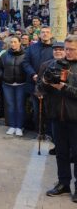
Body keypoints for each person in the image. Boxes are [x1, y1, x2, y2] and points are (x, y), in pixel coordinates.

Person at [40, 35, 77, 201]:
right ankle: (63, 184)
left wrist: (63, 87)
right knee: (61, 153)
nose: (67, 52)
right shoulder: (55, 64)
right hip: (57, 117)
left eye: (71, 49)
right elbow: (42, 88)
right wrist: (45, 82)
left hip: (75, 118)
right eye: (66, 49)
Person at [22, 26, 54, 131]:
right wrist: (33, 74)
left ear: (51, 34)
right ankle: (39, 132)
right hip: (34, 84)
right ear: (39, 34)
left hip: (50, 85)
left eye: (47, 32)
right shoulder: (32, 48)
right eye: (43, 32)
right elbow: (26, 63)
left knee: (49, 111)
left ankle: (49, 133)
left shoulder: (55, 48)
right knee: (37, 111)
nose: (45, 34)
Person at [0, 36, 27, 136]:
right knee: (10, 105)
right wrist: (2, 76)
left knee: (20, 106)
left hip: (21, 84)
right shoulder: (5, 55)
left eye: (15, 42)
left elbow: (28, 67)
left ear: (19, 43)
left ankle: (19, 127)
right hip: (7, 84)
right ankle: (12, 126)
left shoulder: (26, 55)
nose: (13, 44)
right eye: (11, 42)